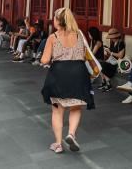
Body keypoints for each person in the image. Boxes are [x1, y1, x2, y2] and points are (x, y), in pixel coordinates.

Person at [40, 8, 94, 154]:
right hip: (78, 72)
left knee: (57, 111)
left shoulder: (53, 37)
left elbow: (44, 59)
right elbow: (84, 54)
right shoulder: (80, 34)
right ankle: (71, 134)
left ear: (58, 20)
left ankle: (58, 144)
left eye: (54, 18)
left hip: (59, 73)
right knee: (76, 107)